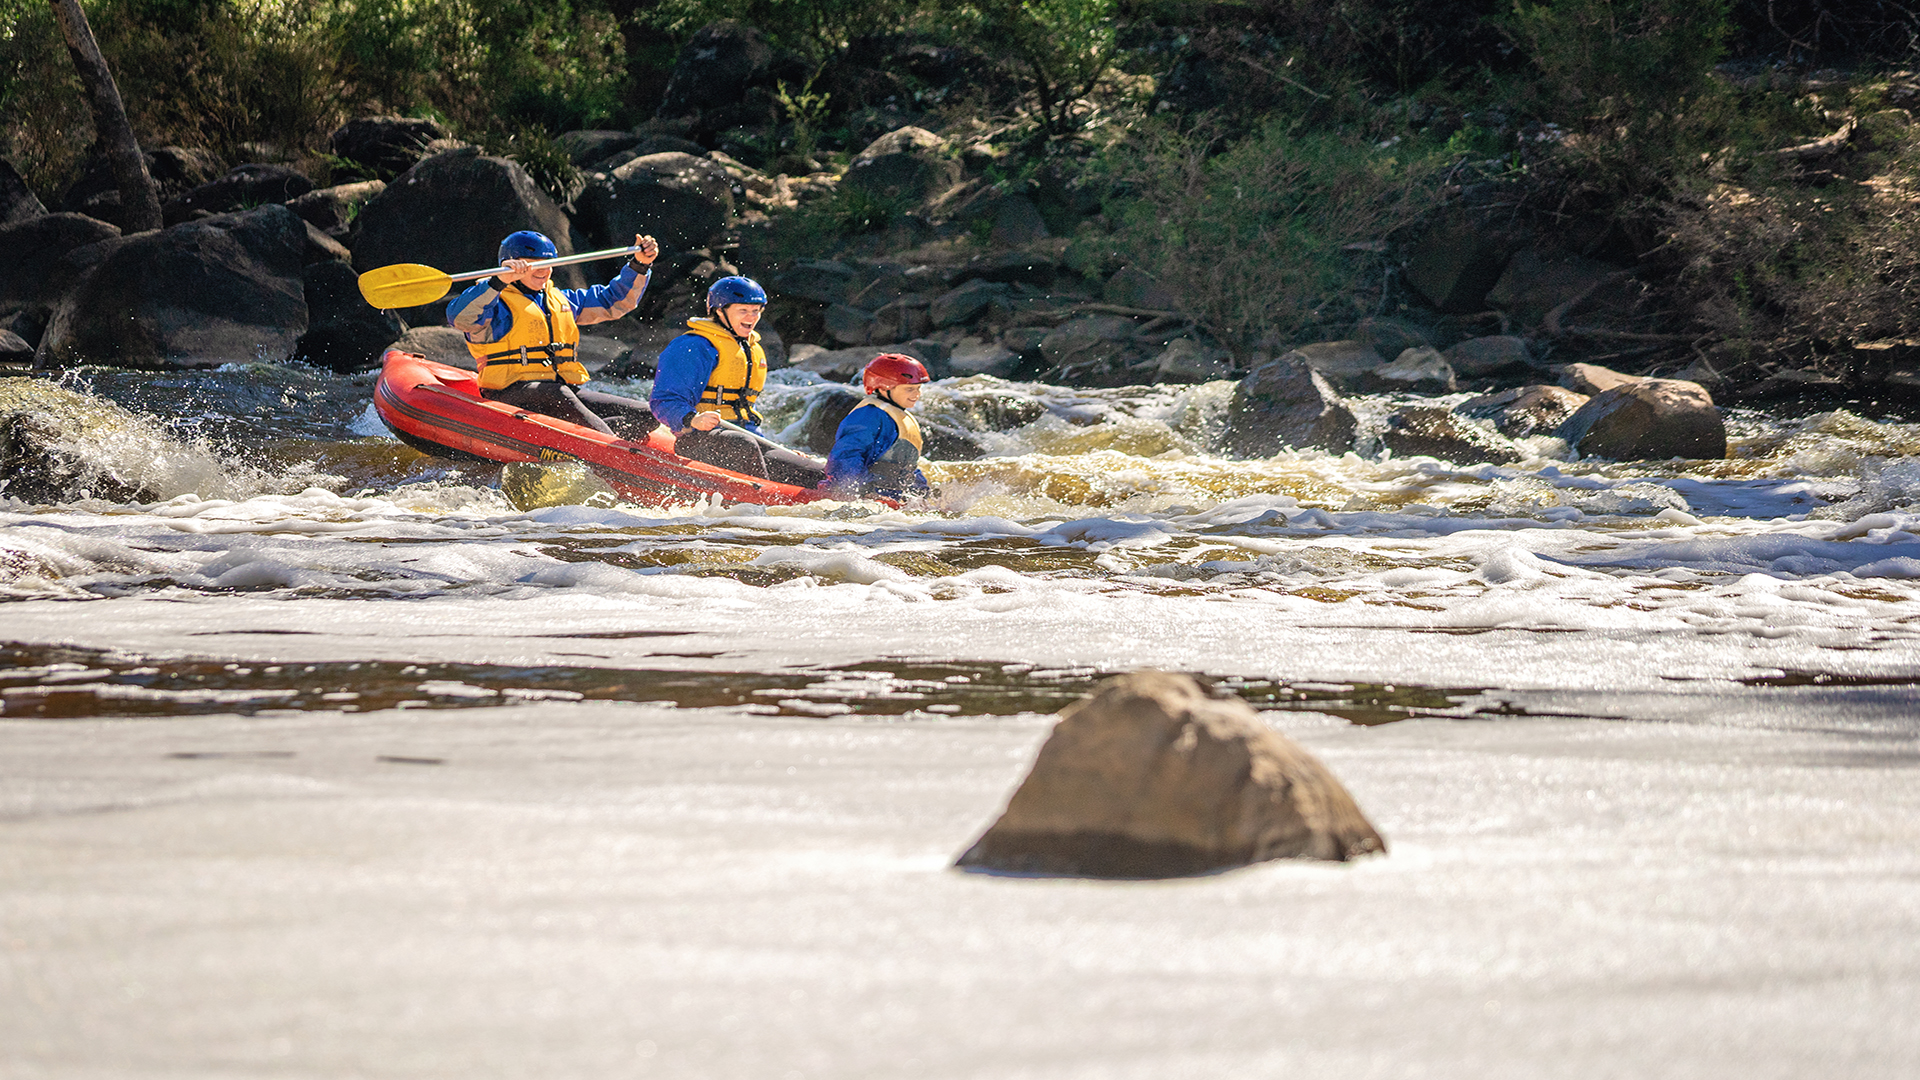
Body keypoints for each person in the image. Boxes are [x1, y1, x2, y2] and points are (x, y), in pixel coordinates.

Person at [448, 230, 658, 437]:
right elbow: (459, 318)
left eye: (548, 264)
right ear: (512, 265)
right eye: (535, 264)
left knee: (647, 414)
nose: (544, 270)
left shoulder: (564, 300)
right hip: (510, 394)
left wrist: (640, 264)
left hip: (559, 390)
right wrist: (498, 281)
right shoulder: (494, 304)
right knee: (558, 395)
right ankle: (609, 449)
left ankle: (599, 442)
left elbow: (613, 301)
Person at [650, 276, 824, 486]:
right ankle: (763, 501)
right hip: (700, 439)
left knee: (813, 471)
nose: (752, 317)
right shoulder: (694, 347)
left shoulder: (751, 349)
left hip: (748, 439)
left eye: (756, 311)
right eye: (743, 310)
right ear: (720, 310)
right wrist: (692, 419)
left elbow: (744, 408)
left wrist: (776, 449)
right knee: (741, 444)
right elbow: (664, 400)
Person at [823, 354, 932, 500]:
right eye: (909, 389)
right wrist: (863, 491)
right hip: (864, 494)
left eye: (918, 388)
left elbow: (907, 468)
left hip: (891, 496)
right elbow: (846, 456)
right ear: (883, 387)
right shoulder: (868, 416)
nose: (917, 394)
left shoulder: (900, 417)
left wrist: (923, 495)